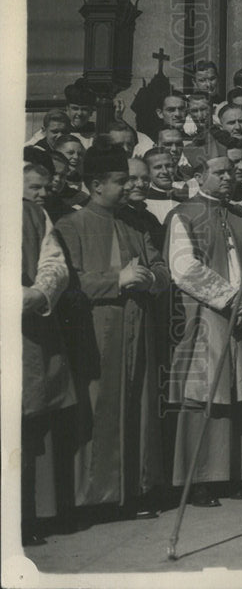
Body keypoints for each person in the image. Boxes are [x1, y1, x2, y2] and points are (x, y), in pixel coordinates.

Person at [53, 142, 169, 517]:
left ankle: (136, 490)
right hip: (99, 334)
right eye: (120, 181)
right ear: (95, 184)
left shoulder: (134, 222)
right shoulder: (71, 225)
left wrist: (150, 277)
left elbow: (162, 268)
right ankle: (97, 498)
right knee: (101, 408)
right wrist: (116, 279)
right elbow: (69, 282)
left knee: (138, 407)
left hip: (139, 327)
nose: (128, 188)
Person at [164, 134, 242, 507]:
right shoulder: (184, 214)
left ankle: (233, 475)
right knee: (206, 396)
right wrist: (229, 297)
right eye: (220, 172)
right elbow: (183, 267)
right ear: (199, 175)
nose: (229, 178)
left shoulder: (241, 216)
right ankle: (201, 479)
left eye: (231, 172)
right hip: (206, 316)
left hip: (241, 315)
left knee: (239, 392)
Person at [22, 154, 76, 545]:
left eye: (44, 187)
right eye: (33, 187)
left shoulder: (38, 217)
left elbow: (54, 261)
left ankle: (31, 515)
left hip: (32, 329)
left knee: (32, 424)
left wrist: (39, 292)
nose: (42, 194)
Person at [28, 81, 98, 149]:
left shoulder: (96, 132)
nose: (79, 113)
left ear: (91, 111)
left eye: (84, 109)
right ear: (67, 109)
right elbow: (27, 148)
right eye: (75, 108)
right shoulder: (56, 129)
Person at [143, 147, 188, 223]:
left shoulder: (186, 197)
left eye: (168, 166)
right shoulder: (145, 203)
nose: (165, 171)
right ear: (147, 171)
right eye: (158, 167)